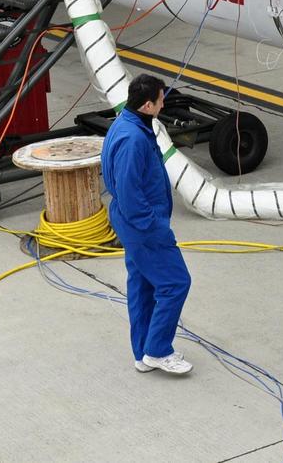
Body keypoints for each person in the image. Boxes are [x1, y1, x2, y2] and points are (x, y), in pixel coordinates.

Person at [101, 73, 193, 375]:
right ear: (148, 105)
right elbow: (129, 192)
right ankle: (158, 350)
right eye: (161, 99)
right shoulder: (133, 139)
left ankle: (142, 352)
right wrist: (154, 227)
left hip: (133, 224)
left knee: (141, 285)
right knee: (175, 282)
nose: (164, 103)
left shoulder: (127, 124)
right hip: (142, 226)